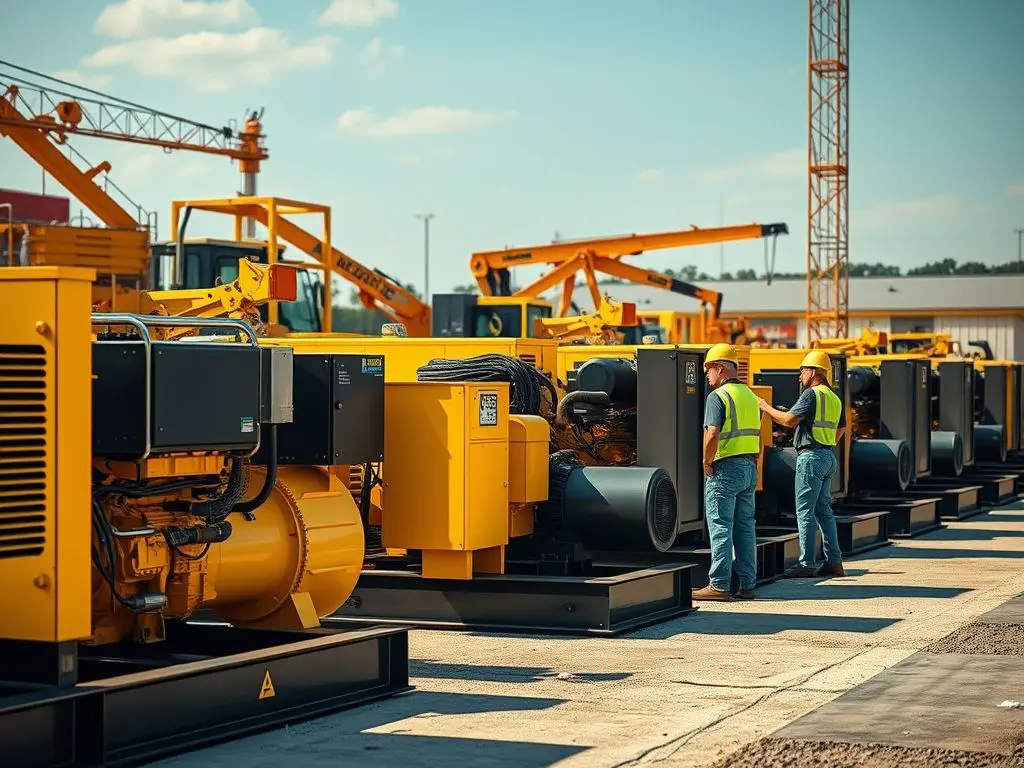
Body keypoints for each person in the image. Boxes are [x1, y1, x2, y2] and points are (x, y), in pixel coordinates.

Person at [757, 350, 846, 578]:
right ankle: (834, 562)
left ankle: (806, 563)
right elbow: (842, 428)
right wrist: (826, 441)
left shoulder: (810, 395)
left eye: (802, 370)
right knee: (824, 511)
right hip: (827, 456)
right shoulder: (834, 397)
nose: (800, 376)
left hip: (811, 457)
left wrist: (765, 407)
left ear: (814, 371)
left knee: (804, 511)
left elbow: (788, 421)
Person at [693, 343, 761, 602]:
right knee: (745, 527)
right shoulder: (750, 396)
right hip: (748, 467)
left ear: (720, 368)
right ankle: (747, 585)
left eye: (708, 370)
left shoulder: (717, 397)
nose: (707, 376)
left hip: (725, 468)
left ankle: (719, 585)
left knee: (720, 525)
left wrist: (706, 461)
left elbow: (712, 433)